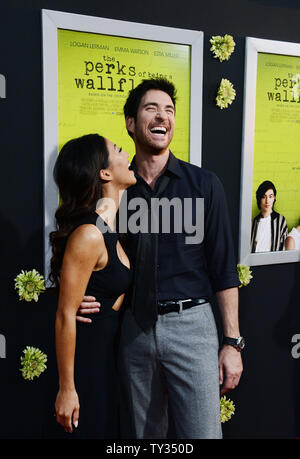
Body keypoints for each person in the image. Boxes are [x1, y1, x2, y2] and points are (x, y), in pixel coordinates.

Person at [77, 78, 243, 439]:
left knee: (202, 434)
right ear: (131, 123)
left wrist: (232, 342)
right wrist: (76, 296)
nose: (162, 116)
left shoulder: (204, 184)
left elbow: (224, 269)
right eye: (151, 108)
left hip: (193, 325)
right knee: (143, 435)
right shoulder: (114, 189)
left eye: (169, 110)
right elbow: (87, 246)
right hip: (135, 327)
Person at [49, 133, 136, 438]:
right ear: (105, 172)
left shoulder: (107, 228)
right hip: (87, 368)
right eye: (119, 149)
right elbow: (64, 316)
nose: (128, 154)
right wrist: (67, 389)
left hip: (110, 363)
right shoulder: (90, 234)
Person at [251, 180, 288, 253]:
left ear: (274, 198)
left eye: (270, 196)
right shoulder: (254, 222)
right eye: (264, 197)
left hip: (273, 262)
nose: (267, 201)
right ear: (259, 199)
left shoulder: (280, 220)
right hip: (255, 262)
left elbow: (284, 248)